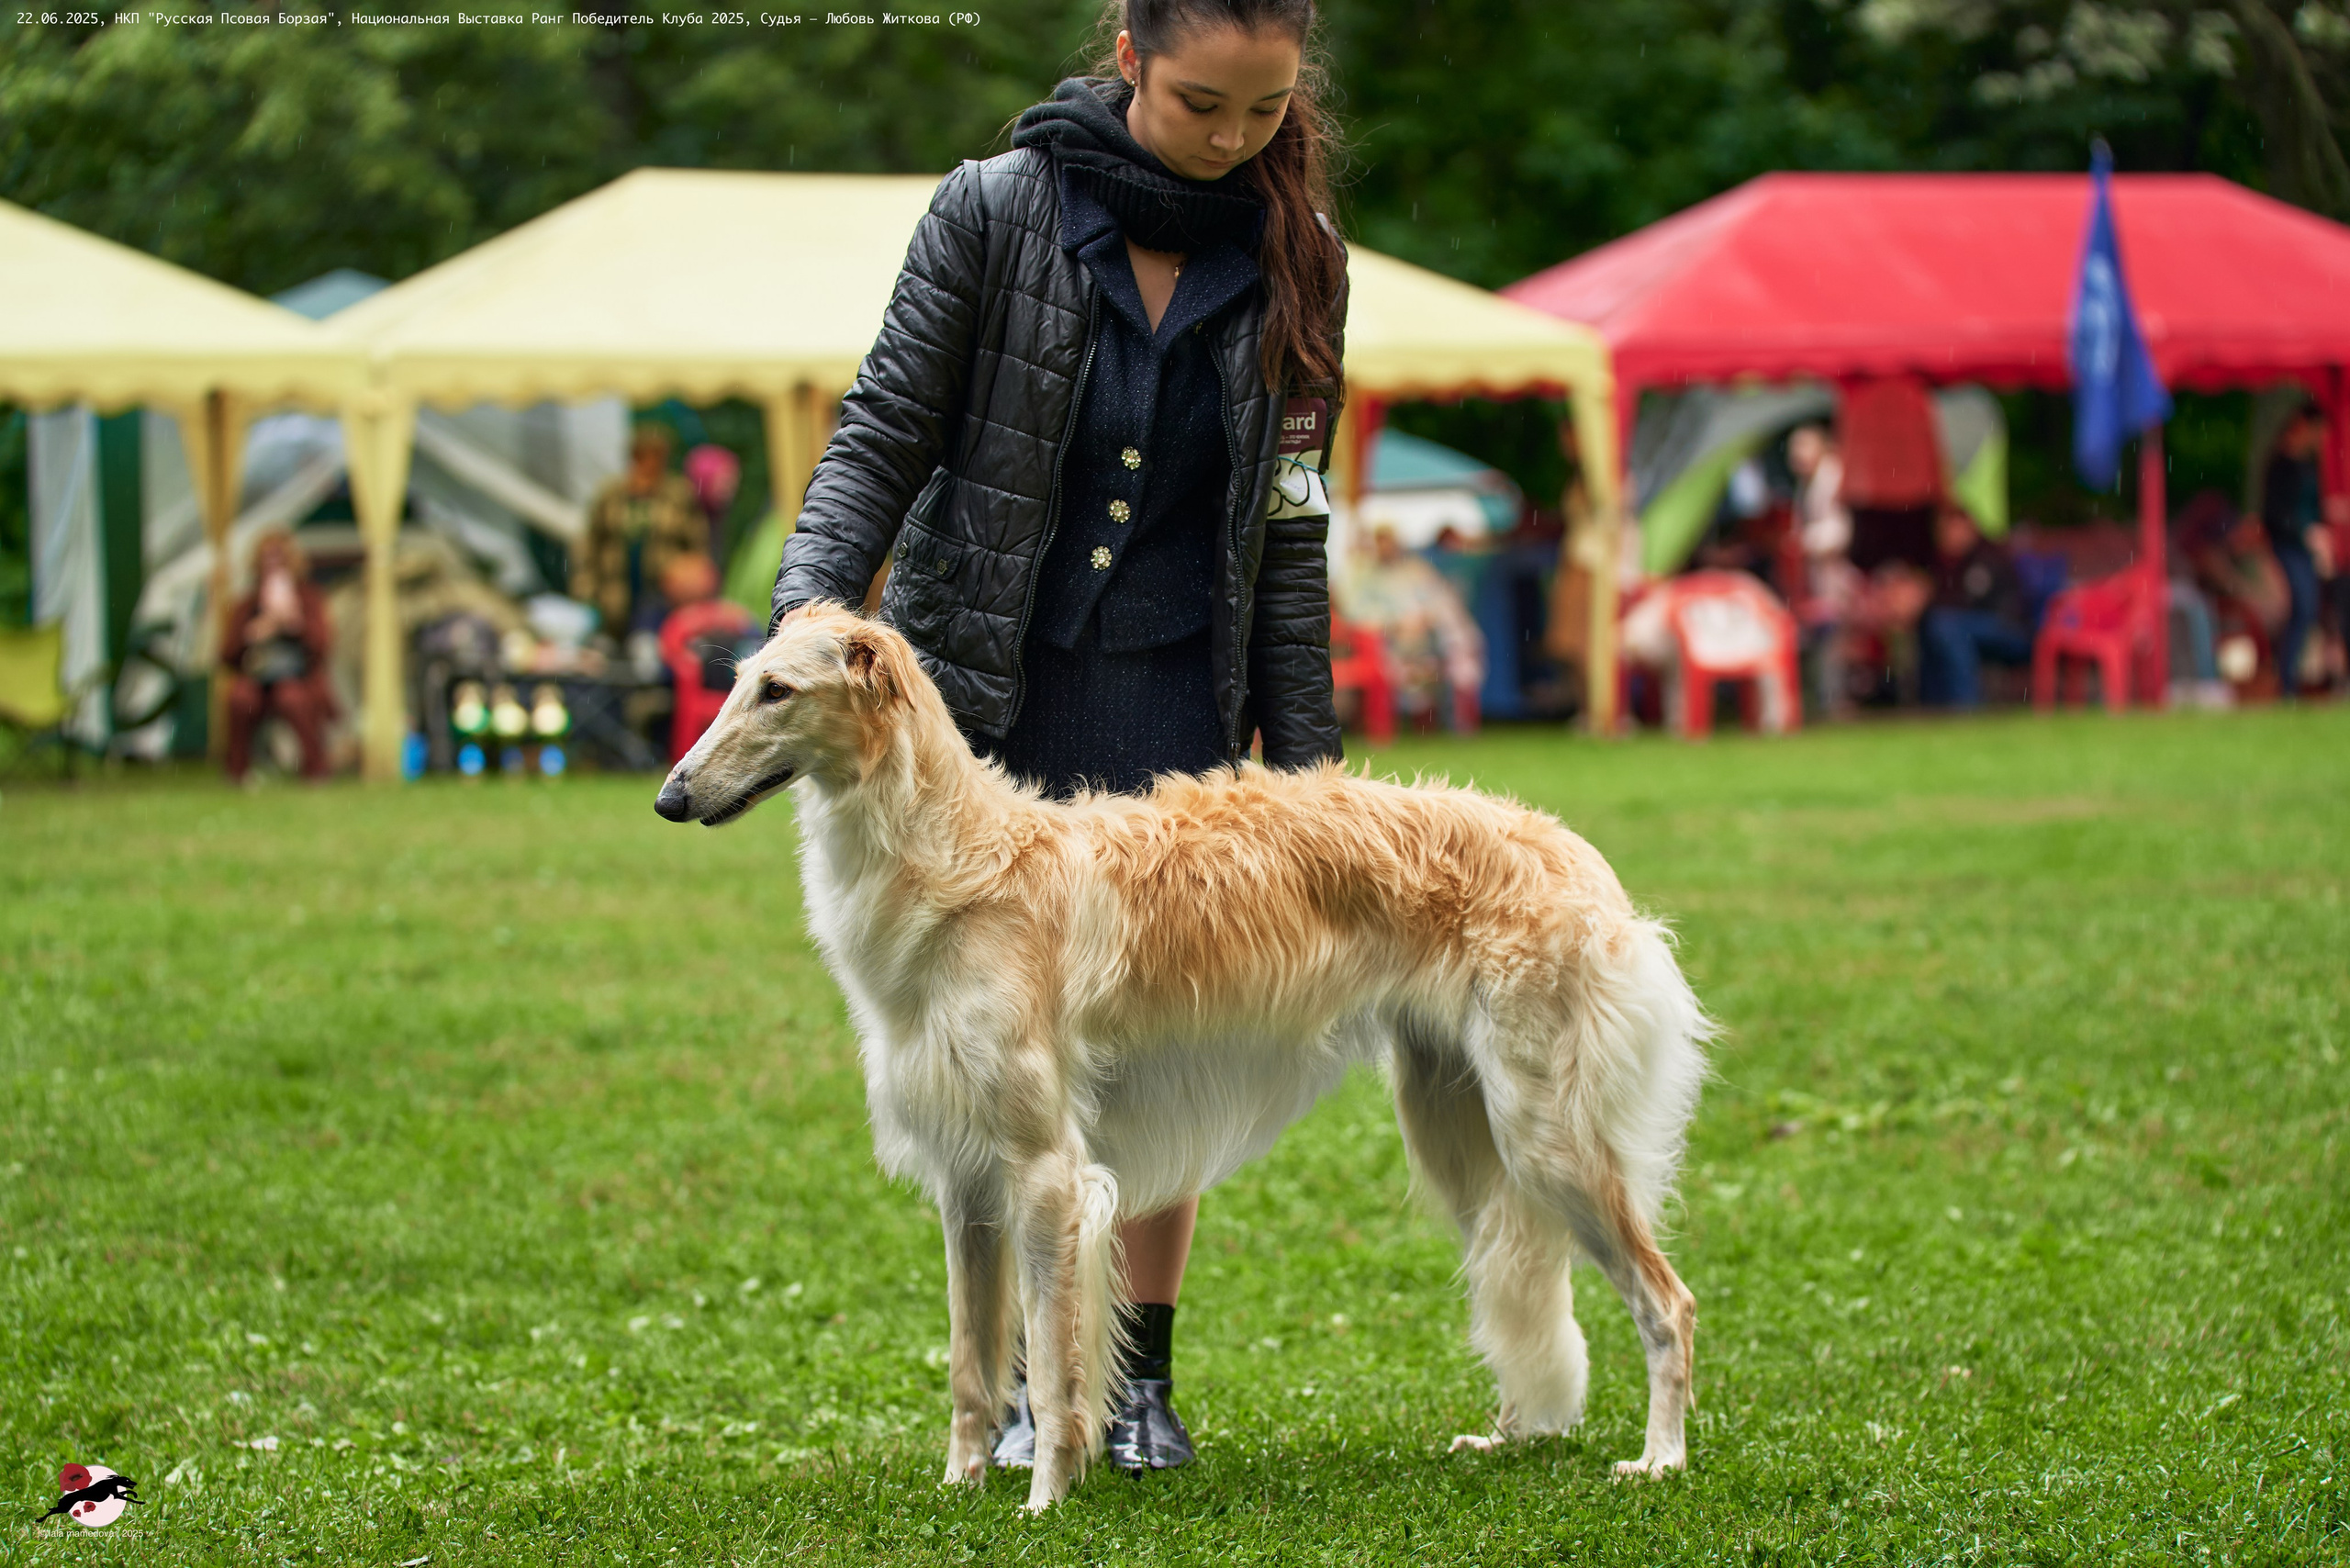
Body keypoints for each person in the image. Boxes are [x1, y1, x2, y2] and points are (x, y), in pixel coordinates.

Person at [767, 0, 1348, 1475]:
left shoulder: (1305, 257)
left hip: (1178, 702)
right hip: (988, 695)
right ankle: (1019, 1384)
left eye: (1266, 112)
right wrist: (801, 631)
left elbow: (1290, 531)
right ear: (1131, 57)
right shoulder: (995, 210)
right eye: (1203, 103)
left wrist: (1309, 767)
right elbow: (883, 433)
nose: (1233, 140)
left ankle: (1134, 1377)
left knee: (1147, 1053)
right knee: (1000, 1057)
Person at [1337, 524, 1483, 728]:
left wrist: (1426, 619)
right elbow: (1356, 613)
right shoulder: (1365, 575)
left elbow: (1441, 601)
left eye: (1388, 540)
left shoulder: (1417, 569)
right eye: (1379, 541)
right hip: (1389, 641)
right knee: (1398, 668)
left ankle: (1462, 724)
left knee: (1462, 647)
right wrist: (1394, 623)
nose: (1385, 547)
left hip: (1431, 636)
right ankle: (1412, 722)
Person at [574, 423, 707, 638]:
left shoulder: (678, 494)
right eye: (644, 455)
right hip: (615, 588)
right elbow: (590, 542)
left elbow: (696, 543)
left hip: (663, 592)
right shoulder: (611, 495)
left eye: (657, 455)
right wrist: (586, 585)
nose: (651, 462)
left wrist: (691, 584)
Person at [220, 532, 334, 781]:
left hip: (298, 676)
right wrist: (251, 633)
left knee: (291, 698)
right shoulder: (247, 604)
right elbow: (226, 655)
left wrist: (295, 625)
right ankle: (238, 770)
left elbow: (323, 647)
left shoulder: (308, 598)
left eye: (279, 559)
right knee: (240, 698)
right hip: (257, 677)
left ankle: (316, 768)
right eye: (267, 559)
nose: (272, 565)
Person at [1919, 503, 2031, 709]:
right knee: (1931, 625)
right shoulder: (1944, 562)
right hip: (1970, 625)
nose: (1948, 536)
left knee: (1947, 627)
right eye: (1943, 531)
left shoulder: (1987, 556)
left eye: (1952, 529)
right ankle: (1931, 703)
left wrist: (1924, 601)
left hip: (2008, 627)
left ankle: (1966, 706)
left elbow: (1968, 602)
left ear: (1968, 528)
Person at [2262, 402, 2335, 696]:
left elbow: (2314, 509)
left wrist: (2323, 538)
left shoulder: (2308, 465)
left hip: (2306, 549)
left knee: (2312, 610)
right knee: (2302, 609)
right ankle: (2286, 683)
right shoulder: (2281, 465)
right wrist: (2306, 533)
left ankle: (2299, 678)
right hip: (2288, 547)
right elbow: (2275, 515)